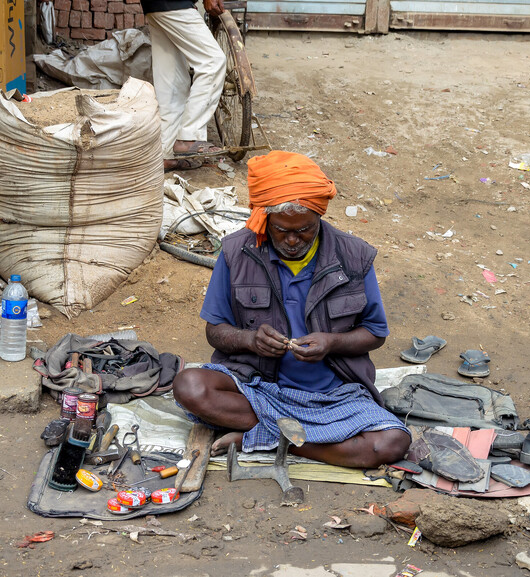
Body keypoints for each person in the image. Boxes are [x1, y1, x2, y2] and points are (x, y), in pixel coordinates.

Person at [173, 151, 411, 468]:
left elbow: (375, 333)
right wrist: (250, 340)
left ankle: (261, 438)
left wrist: (332, 342)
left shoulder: (354, 256)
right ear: (266, 219)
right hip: (258, 388)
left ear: (319, 219)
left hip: (333, 395)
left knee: (391, 443)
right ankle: (296, 437)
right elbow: (215, 331)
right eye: (282, 230)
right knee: (188, 386)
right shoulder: (237, 252)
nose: (293, 241)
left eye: (305, 230)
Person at [140, 0, 227, 172]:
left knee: (172, 81)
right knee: (212, 62)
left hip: (155, 6)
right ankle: (189, 137)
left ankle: (166, 155)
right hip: (176, 4)